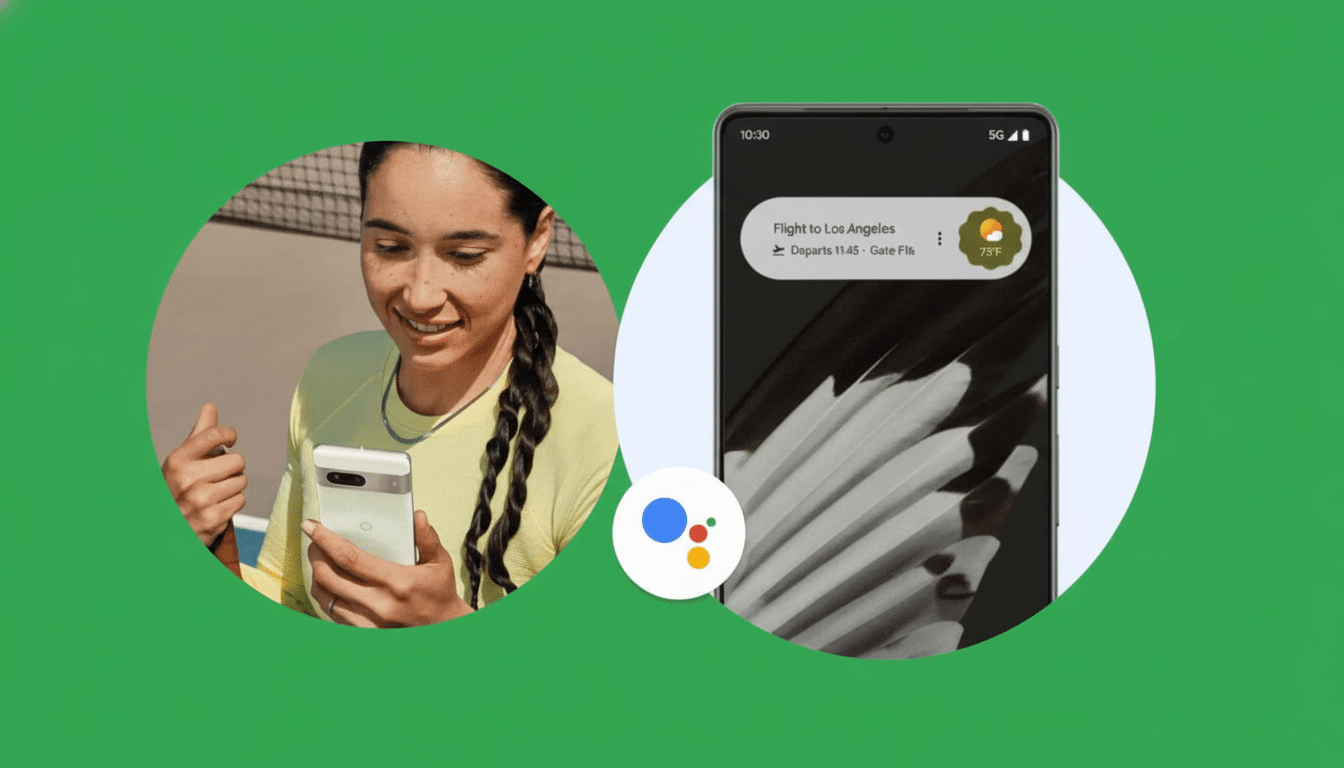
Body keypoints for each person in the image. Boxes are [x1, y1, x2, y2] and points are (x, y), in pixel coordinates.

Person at [160, 142, 618, 627]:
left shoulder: (610, 441)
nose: (420, 296)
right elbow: (288, 598)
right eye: (390, 248)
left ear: (538, 240)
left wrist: (446, 625)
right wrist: (205, 545)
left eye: (463, 255)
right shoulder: (331, 374)